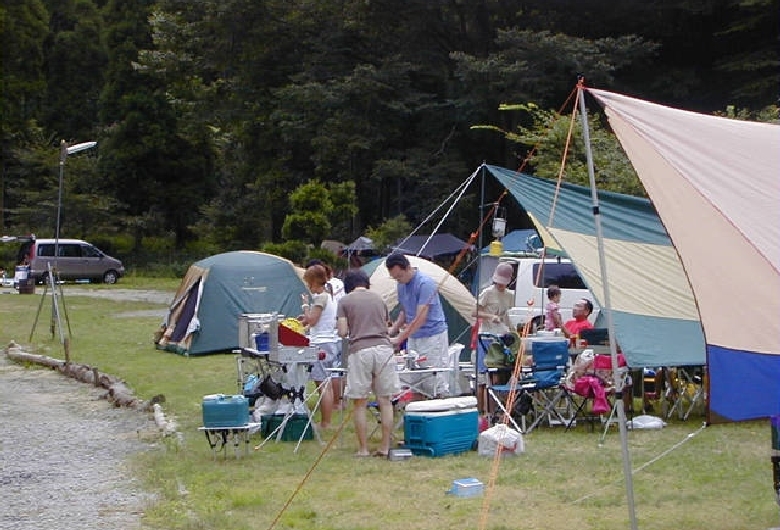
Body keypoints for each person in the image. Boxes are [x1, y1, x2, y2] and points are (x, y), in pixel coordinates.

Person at [337, 269, 400, 457]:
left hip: (360, 350)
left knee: (360, 402)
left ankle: (363, 449)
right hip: (383, 349)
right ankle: (385, 447)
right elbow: (386, 325)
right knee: (385, 401)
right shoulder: (379, 299)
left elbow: (342, 331)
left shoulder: (345, 301)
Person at [385, 253, 450, 398]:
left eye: (399, 276)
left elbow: (420, 317)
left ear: (407, 268)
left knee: (434, 380)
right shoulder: (401, 285)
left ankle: (438, 411)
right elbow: (405, 310)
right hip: (414, 337)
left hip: (432, 336)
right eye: (395, 278)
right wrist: (393, 329)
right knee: (415, 380)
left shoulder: (424, 283)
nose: (398, 280)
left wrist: (399, 338)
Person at [472, 262, 515, 415]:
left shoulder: (510, 295)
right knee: (486, 376)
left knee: (501, 375)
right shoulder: (488, 292)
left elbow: (508, 316)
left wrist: (513, 331)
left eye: (504, 283)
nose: (501, 285)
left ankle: (496, 410)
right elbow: (475, 312)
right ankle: (483, 412)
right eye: (499, 282)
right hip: (487, 336)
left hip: (502, 335)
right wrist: (491, 316)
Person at [299, 264, 339, 429]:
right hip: (330, 341)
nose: (308, 286)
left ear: (314, 281)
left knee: (322, 384)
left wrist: (305, 305)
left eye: (309, 283)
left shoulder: (321, 297)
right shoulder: (329, 296)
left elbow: (313, 320)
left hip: (321, 343)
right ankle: (326, 421)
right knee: (325, 383)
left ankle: (325, 422)